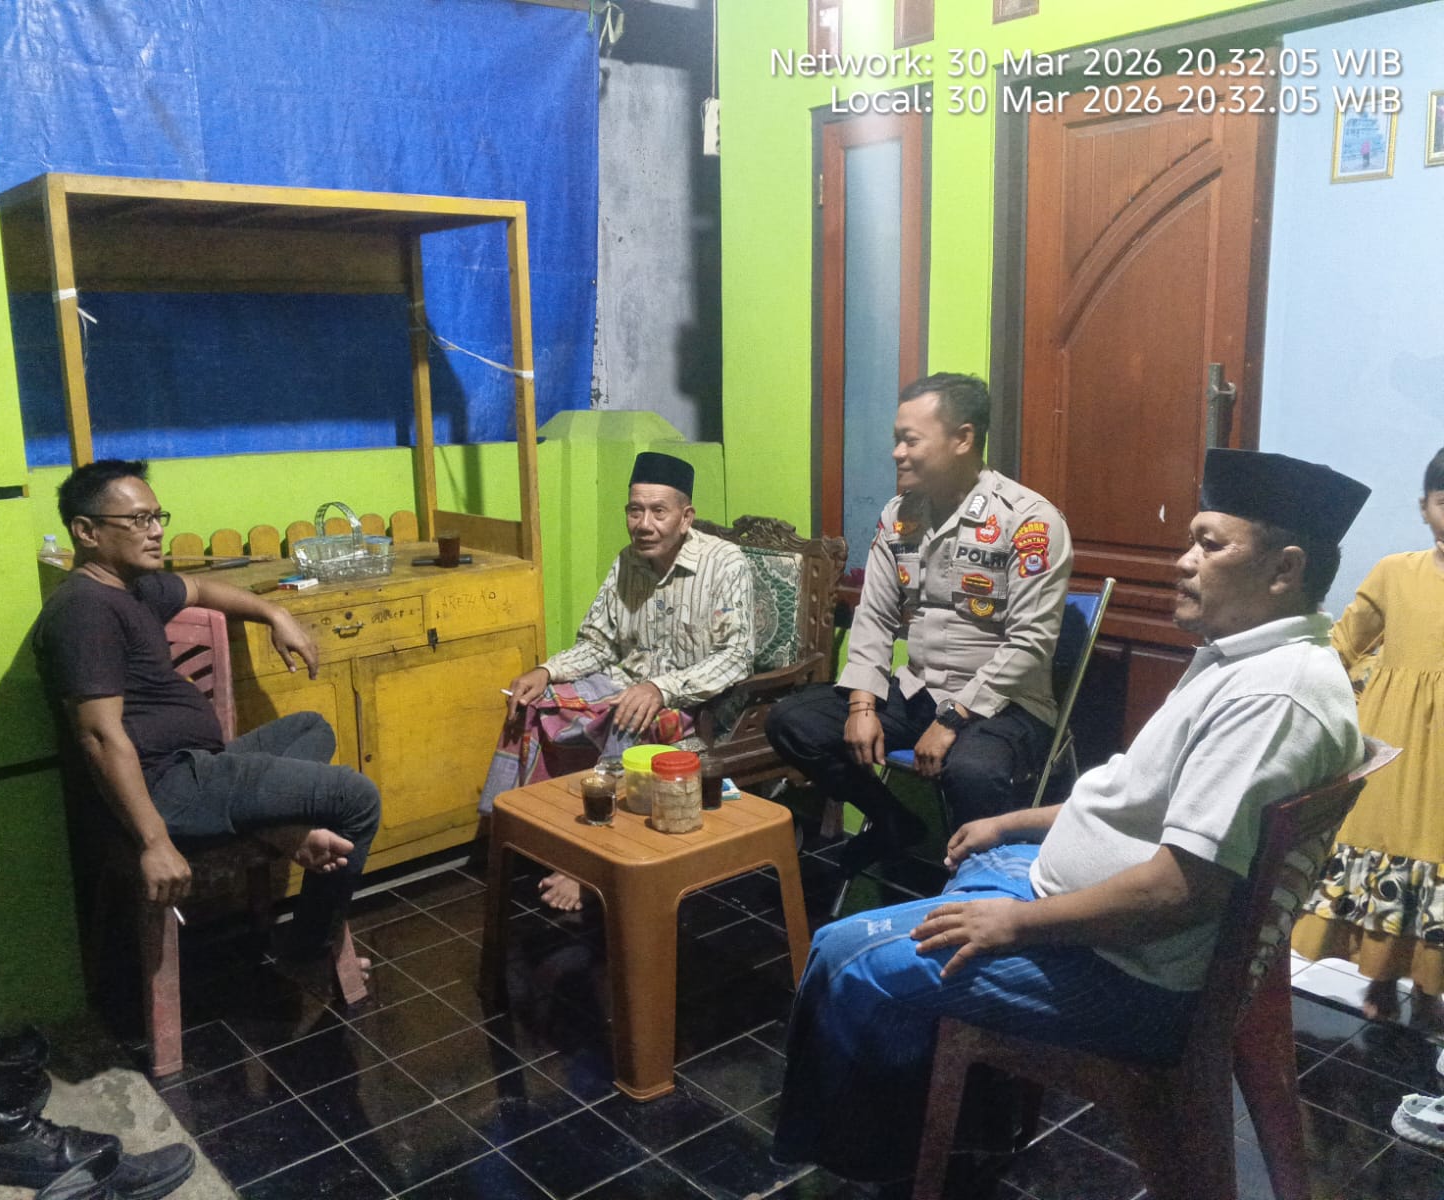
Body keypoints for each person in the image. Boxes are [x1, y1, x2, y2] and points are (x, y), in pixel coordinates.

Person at [770, 449, 1369, 1185]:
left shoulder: (1273, 697)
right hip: (1096, 922)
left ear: (1285, 570)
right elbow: (1130, 791)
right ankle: (962, 1115)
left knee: (845, 958)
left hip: (1130, 974)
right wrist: (1013, 825)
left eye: (1209, 545)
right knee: (977, 860)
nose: (1183, 562)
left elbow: (1180, 891)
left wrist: (1015, 924)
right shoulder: (1241, 659)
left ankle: (863, 1165)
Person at [31, 460, 381, 970]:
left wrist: (274, 613)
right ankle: (311, 949)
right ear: (86, 531)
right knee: (356, 797)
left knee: (311, 727)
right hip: (165, 785)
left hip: (198, 765)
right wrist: (154, 841)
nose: (155, 531)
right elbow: (99, 737)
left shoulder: (133, 587)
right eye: (138, 520)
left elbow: (200, 589)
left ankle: (275, 828)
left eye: (157, 517)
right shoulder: (85, 611)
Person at [766, 373, 1072, 875]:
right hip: (919, 691)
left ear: (963, 439)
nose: (897, 453)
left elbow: (1030, 642)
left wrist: (952, 720)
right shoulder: (899, 517)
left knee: (972, 770)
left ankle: (977, 885)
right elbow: (874, 616)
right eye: (897, 440)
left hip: (1004, 704)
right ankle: (893, 822)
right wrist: (862, 704)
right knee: (794, 722)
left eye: (910, 440)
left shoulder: (1028, 521)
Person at [479, 451, 754, 911]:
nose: (643, 524)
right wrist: (546, 671)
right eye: (634, 510)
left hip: (691, 699)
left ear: (686, 517)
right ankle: (520, 831)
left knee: (630, 715)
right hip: (624, 682)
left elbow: (736, 657)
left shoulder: (725, 563)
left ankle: (591, 861)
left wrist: (661, 689)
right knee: (532, 702)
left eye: (658, 511)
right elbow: (598, 643)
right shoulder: (628, 561)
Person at [1293, 446, 1444, 1030]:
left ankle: (1430, 989)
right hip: (1395, 742)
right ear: (1424, 508)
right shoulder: (1394, 572)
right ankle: (1381, 978)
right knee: (1386, 843)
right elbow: (1343, 644)